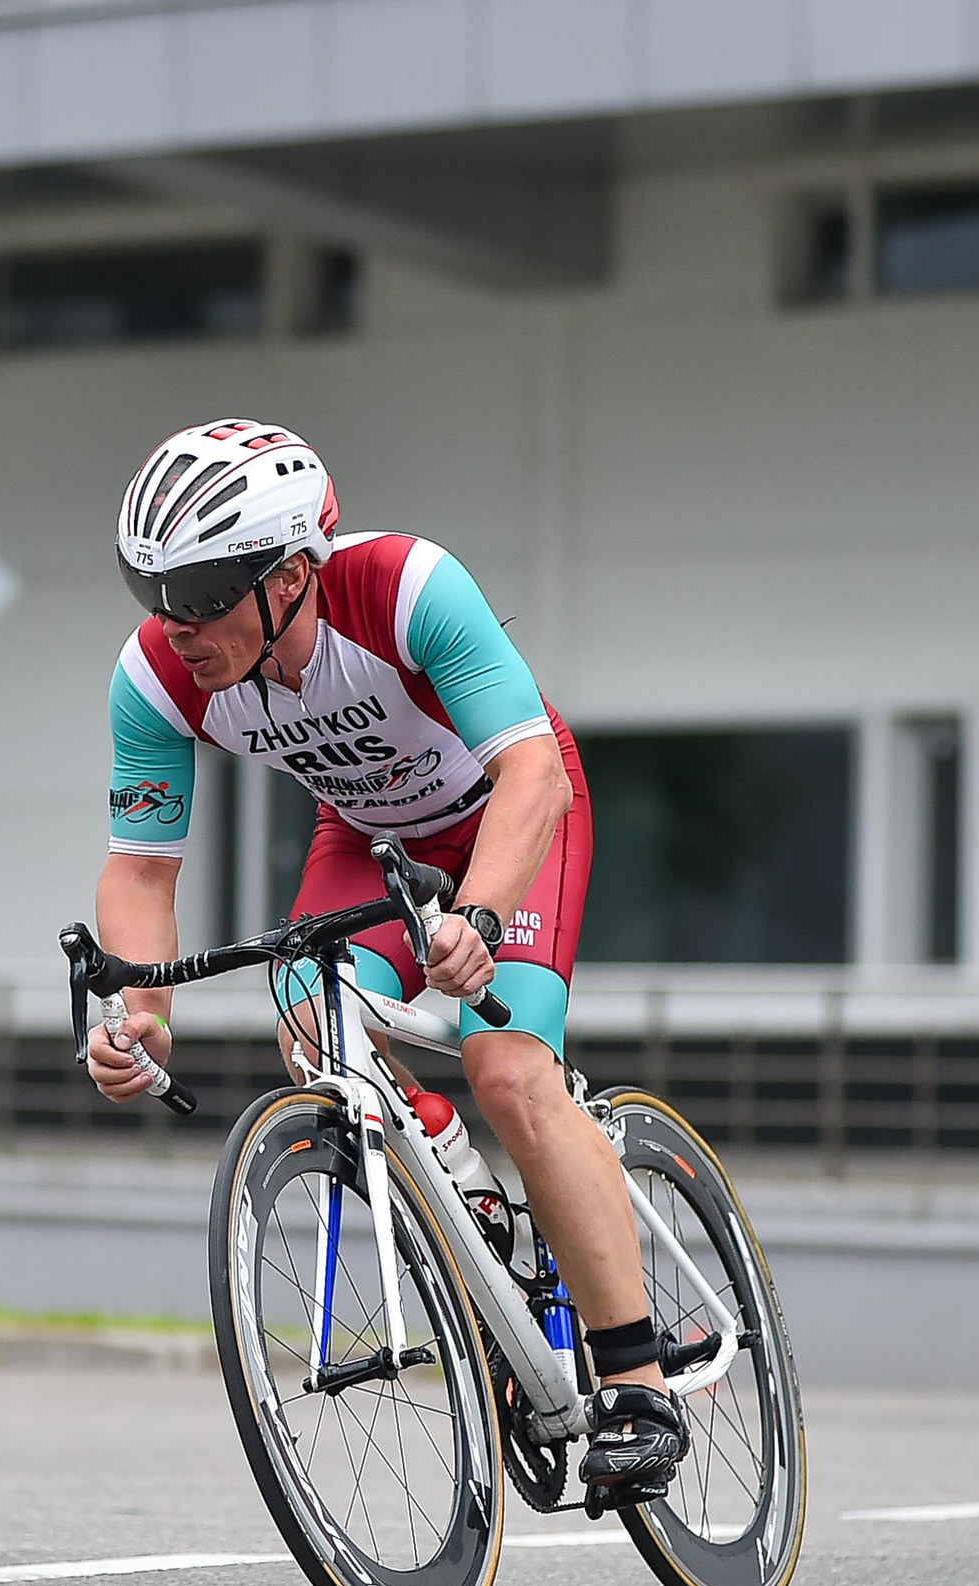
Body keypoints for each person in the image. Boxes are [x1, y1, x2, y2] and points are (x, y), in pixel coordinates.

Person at [86, 419, 684, 1508]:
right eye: (155, 595)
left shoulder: (409, 588)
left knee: (505, 1068)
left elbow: (533, 776)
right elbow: (141, 874)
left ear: (293, 577)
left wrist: (483, 919)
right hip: (369, 839)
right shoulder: (157, 679)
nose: (177, 630)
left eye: (206, 597)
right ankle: (468, 1195)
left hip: (514, 816)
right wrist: (140, 1017)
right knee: (313, 1028)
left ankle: (638, 1381)